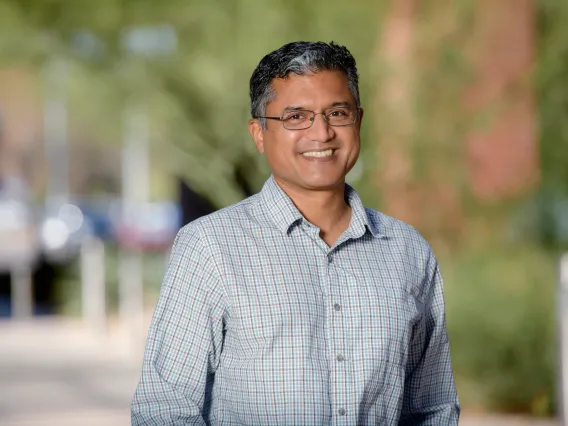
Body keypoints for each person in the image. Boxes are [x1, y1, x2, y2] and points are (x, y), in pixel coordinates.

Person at [131, 41, 460, 425]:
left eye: (337, 113)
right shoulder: (210, 247)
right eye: (296, 117)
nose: (321, 133)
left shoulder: (408, 251)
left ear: (358, 122)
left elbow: (432, 408)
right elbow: (165, 409)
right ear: (259, 133)